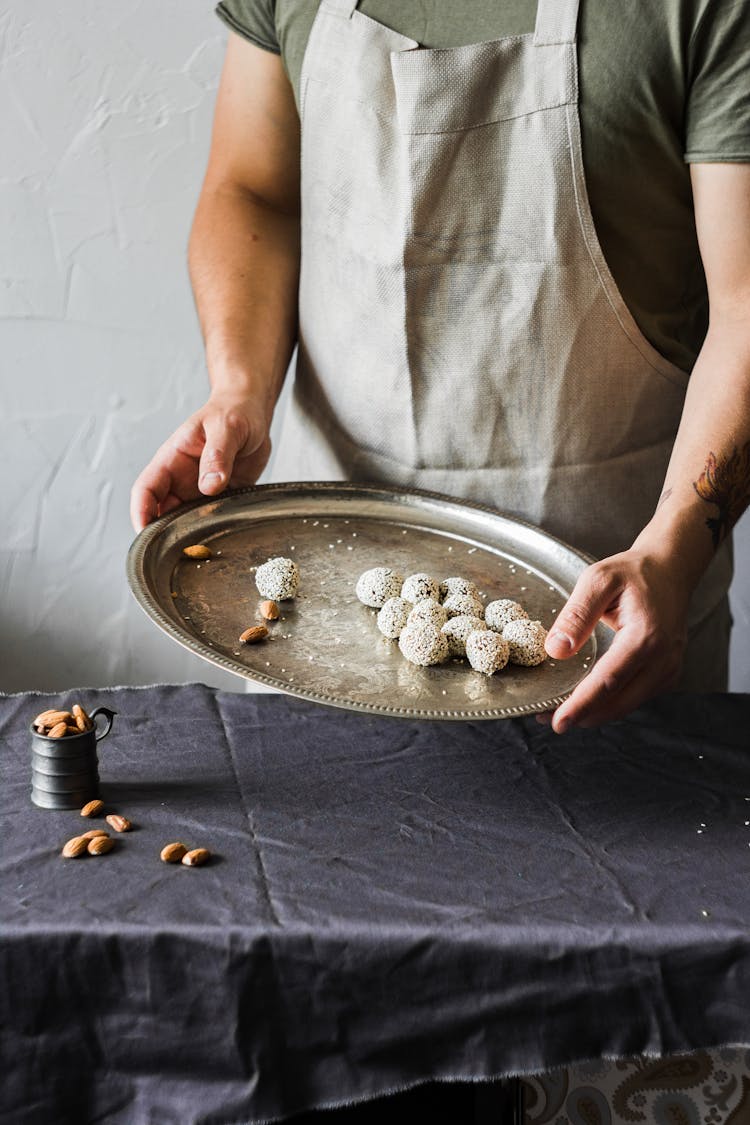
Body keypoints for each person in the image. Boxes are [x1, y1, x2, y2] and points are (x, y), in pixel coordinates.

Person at [130, 0, 750, 736]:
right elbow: (253, 187)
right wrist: (240, 386)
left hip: (610, 619)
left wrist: (675, 548)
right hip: (322, 623)